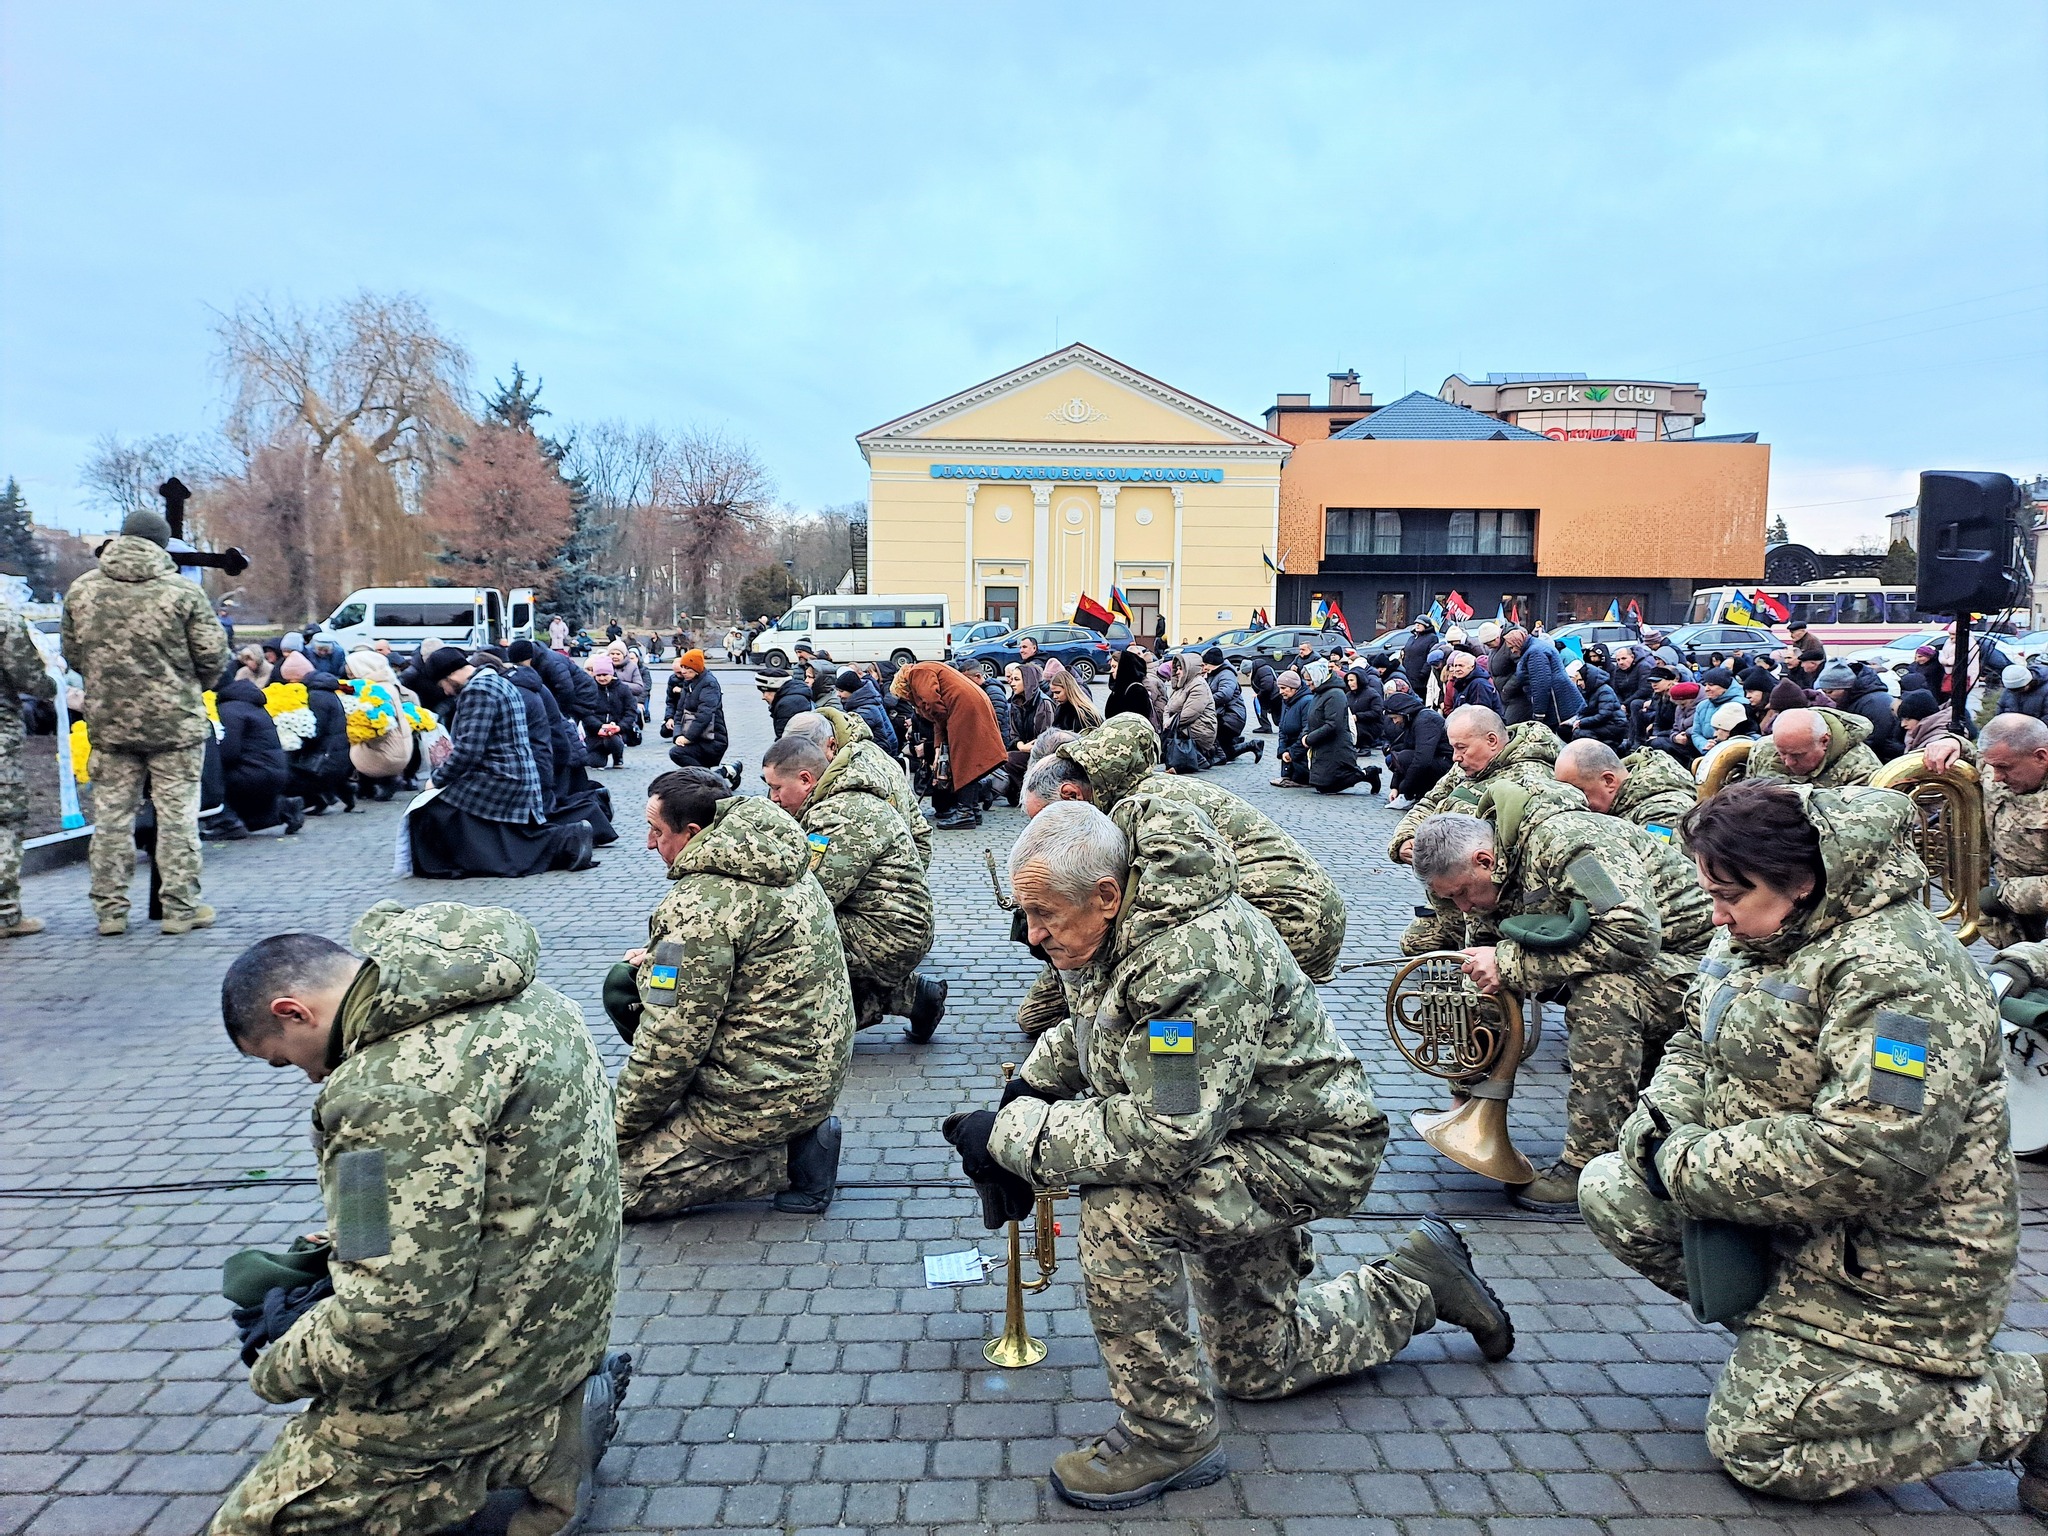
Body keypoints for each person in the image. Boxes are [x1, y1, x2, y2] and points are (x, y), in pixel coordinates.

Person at [947, 800, 1513, 1510]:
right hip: (1240, 1135)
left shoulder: (1188, 959)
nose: (1032, 937)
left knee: (1124, 1211)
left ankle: (1168, 1435)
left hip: (1305, 1150)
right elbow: (1099, 1022)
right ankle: (1418, 1282)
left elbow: (1165, 1132)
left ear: (1106, 895)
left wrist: (1013, 1137)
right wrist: (1028, 1089)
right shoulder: (1122, 924)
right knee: (1257, 1367)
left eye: (1043, 916)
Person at [1578, 779, 2047, 1505]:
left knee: (1760, 1448)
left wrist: (1681, 1160)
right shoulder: (1760, 931)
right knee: (1613, 1186)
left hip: (1896, 1272)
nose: (1717, 915)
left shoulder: (1901, 977)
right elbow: (1693, 1043)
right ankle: (1794, 1351)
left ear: (1801, 882)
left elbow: (1876, 1147)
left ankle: (2022, 1397)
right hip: (1794, 1226)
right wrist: (1659, 1126)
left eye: (1732, 896)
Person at [211, 902, 628, 1536]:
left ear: (292, 1013)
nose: (307, 1075)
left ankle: (543, 1441)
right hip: (566, 1313)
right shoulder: (533, 999)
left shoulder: (376, 1091)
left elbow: (396, 1312)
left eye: (283, 1058)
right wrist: (347, 1245)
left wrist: (281, 1367)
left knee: (256, 1525)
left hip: (499, 1354)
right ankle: (552, 1414)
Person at [1410, 779, 1714, 1211]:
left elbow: (1634, 933)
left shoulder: (1571, 844)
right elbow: (1485, 953)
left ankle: (1588, 1163)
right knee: (1478, 976)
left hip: (1696, 960)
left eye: (1461, 892)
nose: (1461, 906)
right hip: (1640, 954)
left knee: (1604, 996)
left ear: (1485, 860)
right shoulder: (1490, 871)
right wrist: (1467, 1084)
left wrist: (1512, 964)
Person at [615, 768, 853, 1218]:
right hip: (807, 1068)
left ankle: (788, 1160)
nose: (650, 844)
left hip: (763, 1093)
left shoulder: (698, 905)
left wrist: (616, 1128)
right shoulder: (777, 857)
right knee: (624, 981)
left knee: (607, 1187)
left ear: (691, 833)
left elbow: (670, 1043)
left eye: (656, 831)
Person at [62, 507, 230, 937]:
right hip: (175, 724)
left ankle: (110, 912)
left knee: (112, 821)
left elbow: (73, 654)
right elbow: (213, 657)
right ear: (162, 543)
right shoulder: (181, 593)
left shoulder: (82, 591)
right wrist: (189, 685)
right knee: (177, 819)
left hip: (110, 724)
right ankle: (179, 909)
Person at [761, 732, 947, 1041]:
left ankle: (807, 1026)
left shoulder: (838, 816)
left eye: (777, 788)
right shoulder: (837, 799)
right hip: (889, 924)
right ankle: (916, 998)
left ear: (806, 780)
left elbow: (813, 897)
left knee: (784, 943)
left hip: (890, 934)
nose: (774, 798)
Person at [409, 648, 596, 878]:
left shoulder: (478, 690)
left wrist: (436, 780)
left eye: (442, 686)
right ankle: (569, 838)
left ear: (450, 676)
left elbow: (468, 751)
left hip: (500, 777)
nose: (446, 693)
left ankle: (459, 864)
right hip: (520, 775)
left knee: (434, 807)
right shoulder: (498, 681)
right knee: (505, 833)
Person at [1927, 714, 2048, 947]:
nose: (1996, 777)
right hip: (2012, 924)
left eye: (2004, 767)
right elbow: (1976, 756)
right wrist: (1954, 743)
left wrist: (2003, 896)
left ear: (2041, 757)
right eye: (1992, 766)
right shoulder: (2000, 763)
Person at [1389, 707, 1562, 867]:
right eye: (1453, 748)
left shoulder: (1530, 777)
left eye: (1461, 748)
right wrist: (1406, 837)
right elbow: (1430, 802)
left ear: (1492, 741)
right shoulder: (1467, 766)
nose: (1456, 757)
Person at [891, 660, 1008, 829]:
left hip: (962, 708)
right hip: (969, 704)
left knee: (963, 761)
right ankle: (972, 809)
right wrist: (939, 746)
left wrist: (943, 728)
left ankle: (965, 813)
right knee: (970, 760)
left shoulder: (917, 673)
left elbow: (932, 703)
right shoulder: (927, 669)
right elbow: (938, 717)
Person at [0, 599, 57, 937]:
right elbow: (29, 678)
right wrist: (53, 683)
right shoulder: (4, 620)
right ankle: (5, 914)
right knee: (5, 819)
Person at [215, 675, 304, 835]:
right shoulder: (253, 706)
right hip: (273, 770)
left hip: (254, 774)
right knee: (251, 820)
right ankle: (284, 808)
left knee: (210, 781)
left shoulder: (229, 710)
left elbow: (229, 753)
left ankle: (227, 823)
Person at [1554, 738, 1696, 839]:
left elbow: (1661, 873)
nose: (1574, 801)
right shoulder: (1623, 802)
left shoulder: (1664, 814)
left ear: (1608, 781)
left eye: (1580, 792)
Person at [278, 651, 354, 816]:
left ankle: (317, 799)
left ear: (297, 678)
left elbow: (315, 731)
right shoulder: (326, 691)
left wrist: (294, 741)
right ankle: (342, 791)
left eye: (290, 680)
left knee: (285, 773)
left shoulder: (315, 696)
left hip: (326, 759)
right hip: (337, 755)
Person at [343, 647, 420, 802]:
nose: (346, 670)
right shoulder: (388, 684)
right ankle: (370, 784)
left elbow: (380, 726)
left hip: (387, 744)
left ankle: (383, 782)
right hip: (400, 742)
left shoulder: (374, 689)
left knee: (354, 745)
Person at [1746, 706, 1880, 788]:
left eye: (1797, 755)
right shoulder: (1763, 749)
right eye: (1782, 752)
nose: (1788, 762)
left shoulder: (1862, 768)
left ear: (1824, 741)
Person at [1816, 659, 1903, 761]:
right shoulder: (1852, 699)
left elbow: (1874, 740)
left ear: (1846, 687)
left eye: (1830, 691)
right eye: (1824, 691)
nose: (1827, 696)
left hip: (1885, 759)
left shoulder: (1875, 703)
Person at [664, 649, 733, 775]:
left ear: (696, 668)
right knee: (682, 756)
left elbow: (704, 715)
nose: (683, 671)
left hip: (713, 738)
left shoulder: (709, 684)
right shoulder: (688, 683)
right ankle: (723, 773)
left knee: (677, 753)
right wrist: (678, 735)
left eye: (687, 667)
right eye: (682, 667)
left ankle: (714, 777)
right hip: (699, 737)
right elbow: (679, 711)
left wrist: (688, 738)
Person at [1299, 656, 1362, 793]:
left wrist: (1309, 738)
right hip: (1322, 743)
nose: (1307, 683)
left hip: (1336, 745)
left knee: (1328, 784)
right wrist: (1305, 735)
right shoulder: (1319, 693)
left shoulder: (1335, 694)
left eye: (1309, 680)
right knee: (1320, 784)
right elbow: (1312, 718)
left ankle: (1366, 774)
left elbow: (1333, 724)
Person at [1382, 688, 1449, 806]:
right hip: (1440, 759)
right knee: (1398, 754)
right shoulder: (1414, 720)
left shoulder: (1425, 721)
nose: (1395, 722)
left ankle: (1417, 793)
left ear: (1403, 713)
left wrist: (1405, 789)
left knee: (1404, 757)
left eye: (1395, 718)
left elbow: (1422, 760)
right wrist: (1395, 787)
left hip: (1446, 763)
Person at [1002, 662, 1052, 806]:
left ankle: (1026, 793)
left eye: (1017, 679)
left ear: (1028, 681)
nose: (1012, 683)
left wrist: (1026, 747)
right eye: (1011, 679)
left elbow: (1046, 737)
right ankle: (1020, 792)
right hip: (1025, 748)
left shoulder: (1043, 703)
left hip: (1041, 753)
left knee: (1009, 759)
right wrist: (1021, 745)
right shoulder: (1016, 702)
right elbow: (1013, 732)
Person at [1199, 648, 1258, 764]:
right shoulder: (1215, 673)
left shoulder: (1226, 674)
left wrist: (1204, 701)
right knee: (1227, 752)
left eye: (1205, 664)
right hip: (1226, 715)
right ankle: (1250, 744)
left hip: (1230, 717)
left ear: (1213, 663)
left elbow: (1225, 694)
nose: (1204, 667)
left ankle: (1243, 744)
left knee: (1208, 729)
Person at [584, 657, 637, 769]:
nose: (602, 678)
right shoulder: (589, 690)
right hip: (595, 733)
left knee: (613, 739)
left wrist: (620, 727)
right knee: (594, 763)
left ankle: (618, 756)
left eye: (605, 674)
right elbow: (586, 713)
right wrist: (600, 726)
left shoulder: (623, 689)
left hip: (617, 731)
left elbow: (630, 711)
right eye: (599, 675)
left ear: (611, 673)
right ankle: (600, 753)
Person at [834, 666, 899, 754]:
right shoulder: (864, 700)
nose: (838, 694)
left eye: (841, 691)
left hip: (881, 752)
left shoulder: (865, 711)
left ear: (852, 691)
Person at [1567, 658, 1629, 748]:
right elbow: (1583, 711)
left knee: (1580, 733)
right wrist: (1573, 722)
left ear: (1588, 678)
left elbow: (1604, 715)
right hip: (1602, 724)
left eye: (1581, 680)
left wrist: (1581, 722)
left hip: (1614, 725)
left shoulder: (1604, 691)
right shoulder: (1589, 691)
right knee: (1565, 730)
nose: (1579, 683)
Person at [1272, 669, 1312, 788]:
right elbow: (1282, 727)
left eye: (1284, 688)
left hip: (1300, 750)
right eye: (1280, 688)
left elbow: (1307, 730)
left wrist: (1291, 752)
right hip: (1290, 747)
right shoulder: (1287, 700)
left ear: (1294, 688)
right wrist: (1283, 749)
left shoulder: (1307, 701)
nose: (1281, 692)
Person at [756, 667, 814, 740]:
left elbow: (785, 742)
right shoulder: (793, 698)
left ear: (774, 689)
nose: (763, 697)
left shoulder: (787, 705)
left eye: (764, 692)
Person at [1105, 647, 1154, 726]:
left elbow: (1137, 723)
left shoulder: (1137, 691)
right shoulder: (1117, 689)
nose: (1111, 671)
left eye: (1114, 667)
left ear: (1123, 667)